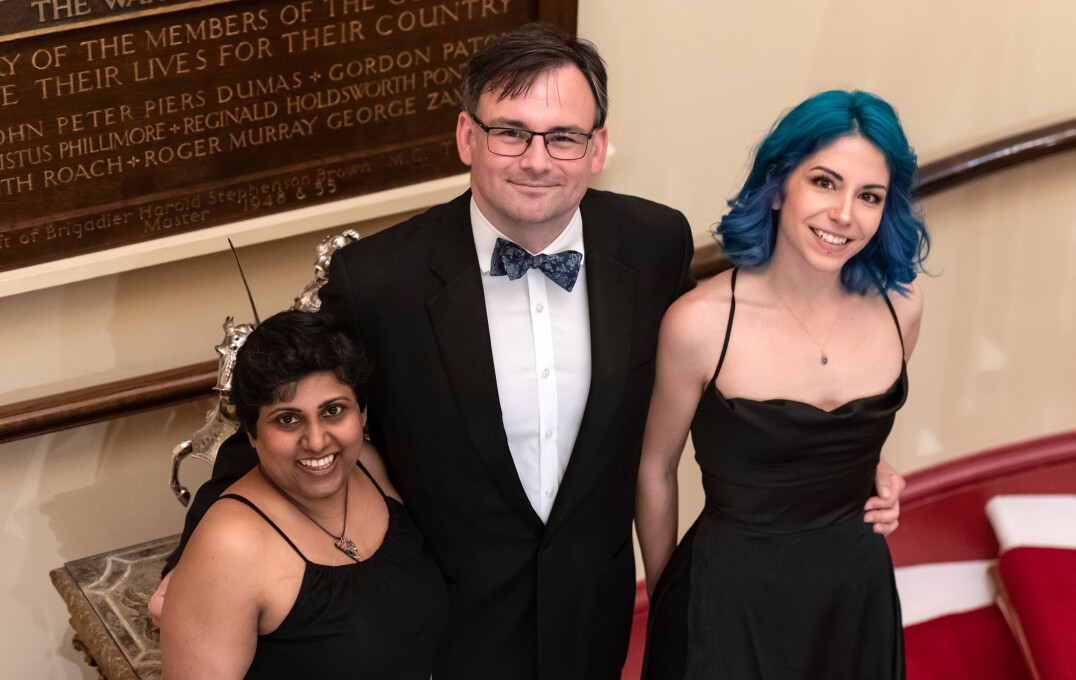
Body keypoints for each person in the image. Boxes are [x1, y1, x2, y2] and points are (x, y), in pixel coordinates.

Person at [163, 27, 903, 680]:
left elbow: (727, 366)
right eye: (510, 133)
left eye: (563, 137)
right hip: (450, 619)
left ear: (598, 148)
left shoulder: (652, 244)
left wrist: (844, 459)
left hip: (594, 612)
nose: (537, 160)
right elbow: (285, 407)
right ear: (467, 137)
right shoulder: (381, 279)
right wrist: (194, 558)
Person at [636, 89, 929, 679]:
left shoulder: (902, 306)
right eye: (824, 182)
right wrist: (671, 599)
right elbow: (654, 469)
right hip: (731, 595)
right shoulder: (699, 324)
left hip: (854, 591)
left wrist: (875, 467)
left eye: (869, 196)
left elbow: (844, 435)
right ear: (776, 185)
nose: (844, 213)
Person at [159, 310, 447, 679]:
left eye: (333, 410)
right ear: (252, 433)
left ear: (362, 414)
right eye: (288, 419)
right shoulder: (229, 545)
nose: (316, 441)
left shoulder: (367, 466)